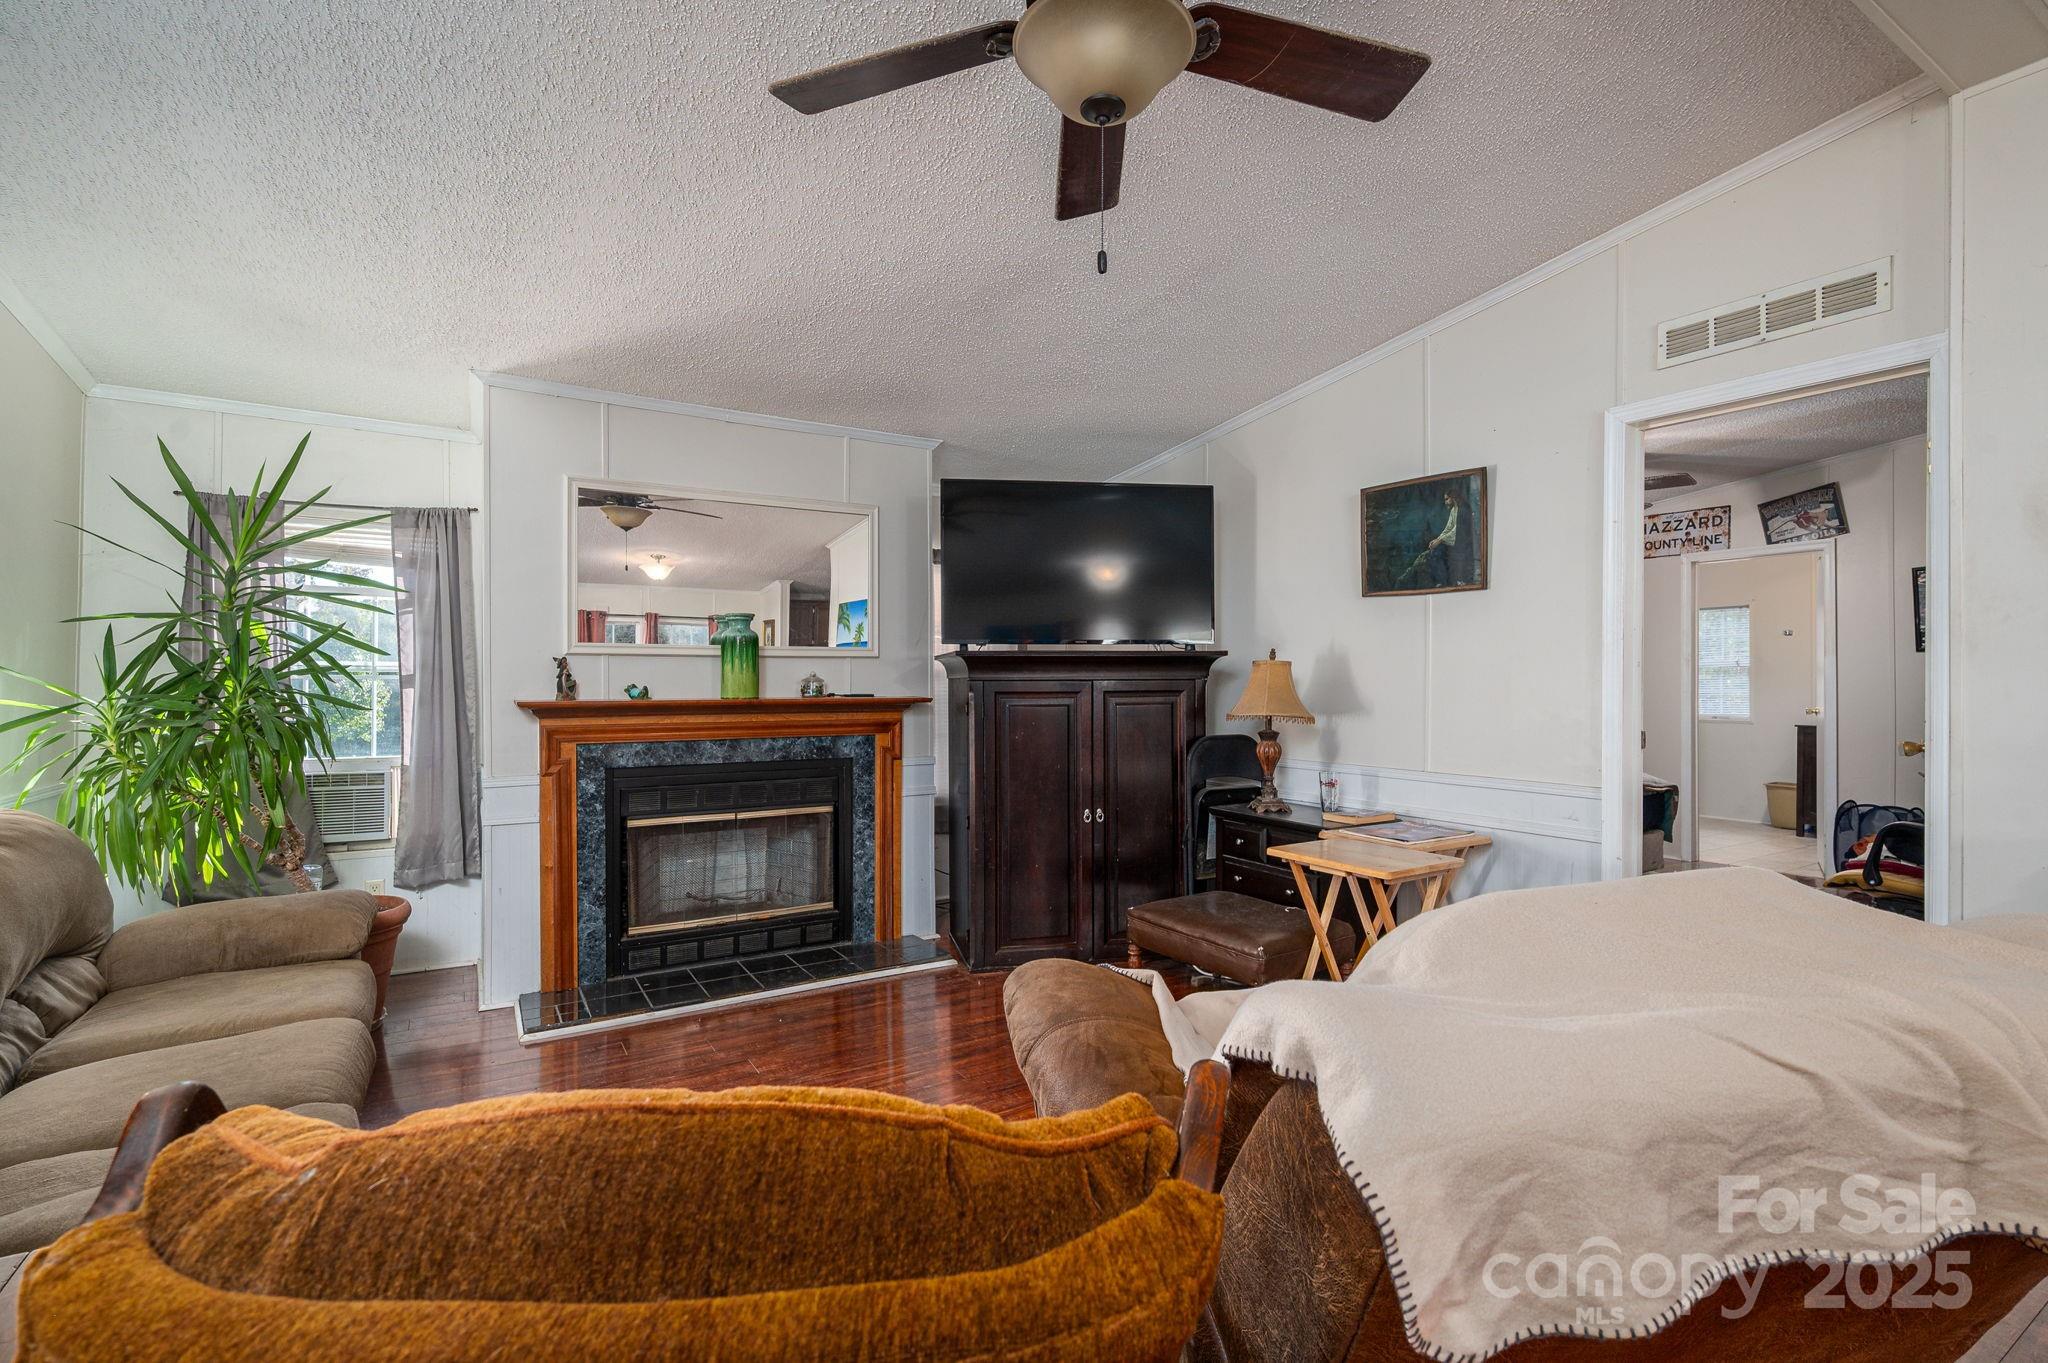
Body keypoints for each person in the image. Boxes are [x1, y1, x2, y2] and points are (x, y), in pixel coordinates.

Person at [1424, 488, 1461, 586]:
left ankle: (1445, 582)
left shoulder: (1462, 510)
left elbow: (1457, 530)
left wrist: (1440, 540)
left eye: (1447, 499)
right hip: (1453, 541)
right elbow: (1448, 528)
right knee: (1434, 552)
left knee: (1438, 553)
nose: (1445, 502)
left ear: (1453, 498)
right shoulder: (1454, 510)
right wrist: (1437, 540)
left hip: (1461, 544)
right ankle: (1441, 581)